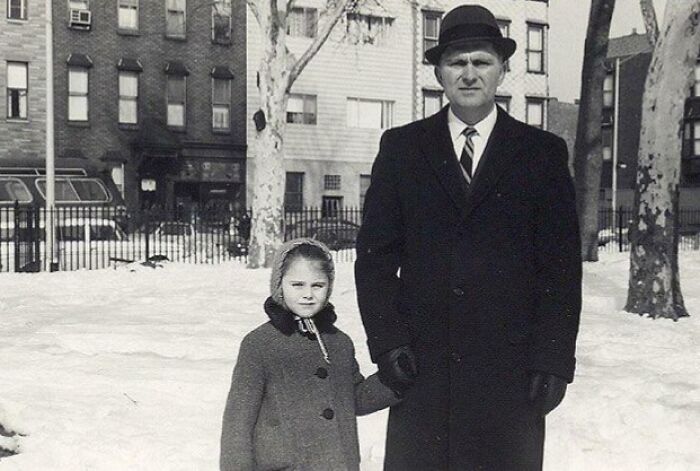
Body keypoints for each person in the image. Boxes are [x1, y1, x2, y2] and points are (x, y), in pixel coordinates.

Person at [355, 4, 582, 470]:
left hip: (509, 374)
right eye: (457, 62)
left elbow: (560, 269)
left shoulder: (541, 154)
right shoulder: (401, 149)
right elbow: (375, 260)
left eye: (482, 61)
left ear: (502, 69)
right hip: (422, 370)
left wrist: (553, 358)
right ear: (438, 71)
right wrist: (388, 342)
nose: (469, 74)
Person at [220, 238, 400, 471]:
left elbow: (353, 398)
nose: (308, 294)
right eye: (297, 285)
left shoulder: (339, 343)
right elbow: (239, 420)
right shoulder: (260, 344)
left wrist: (392, 380)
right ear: (279, 284)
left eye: (318, 285)